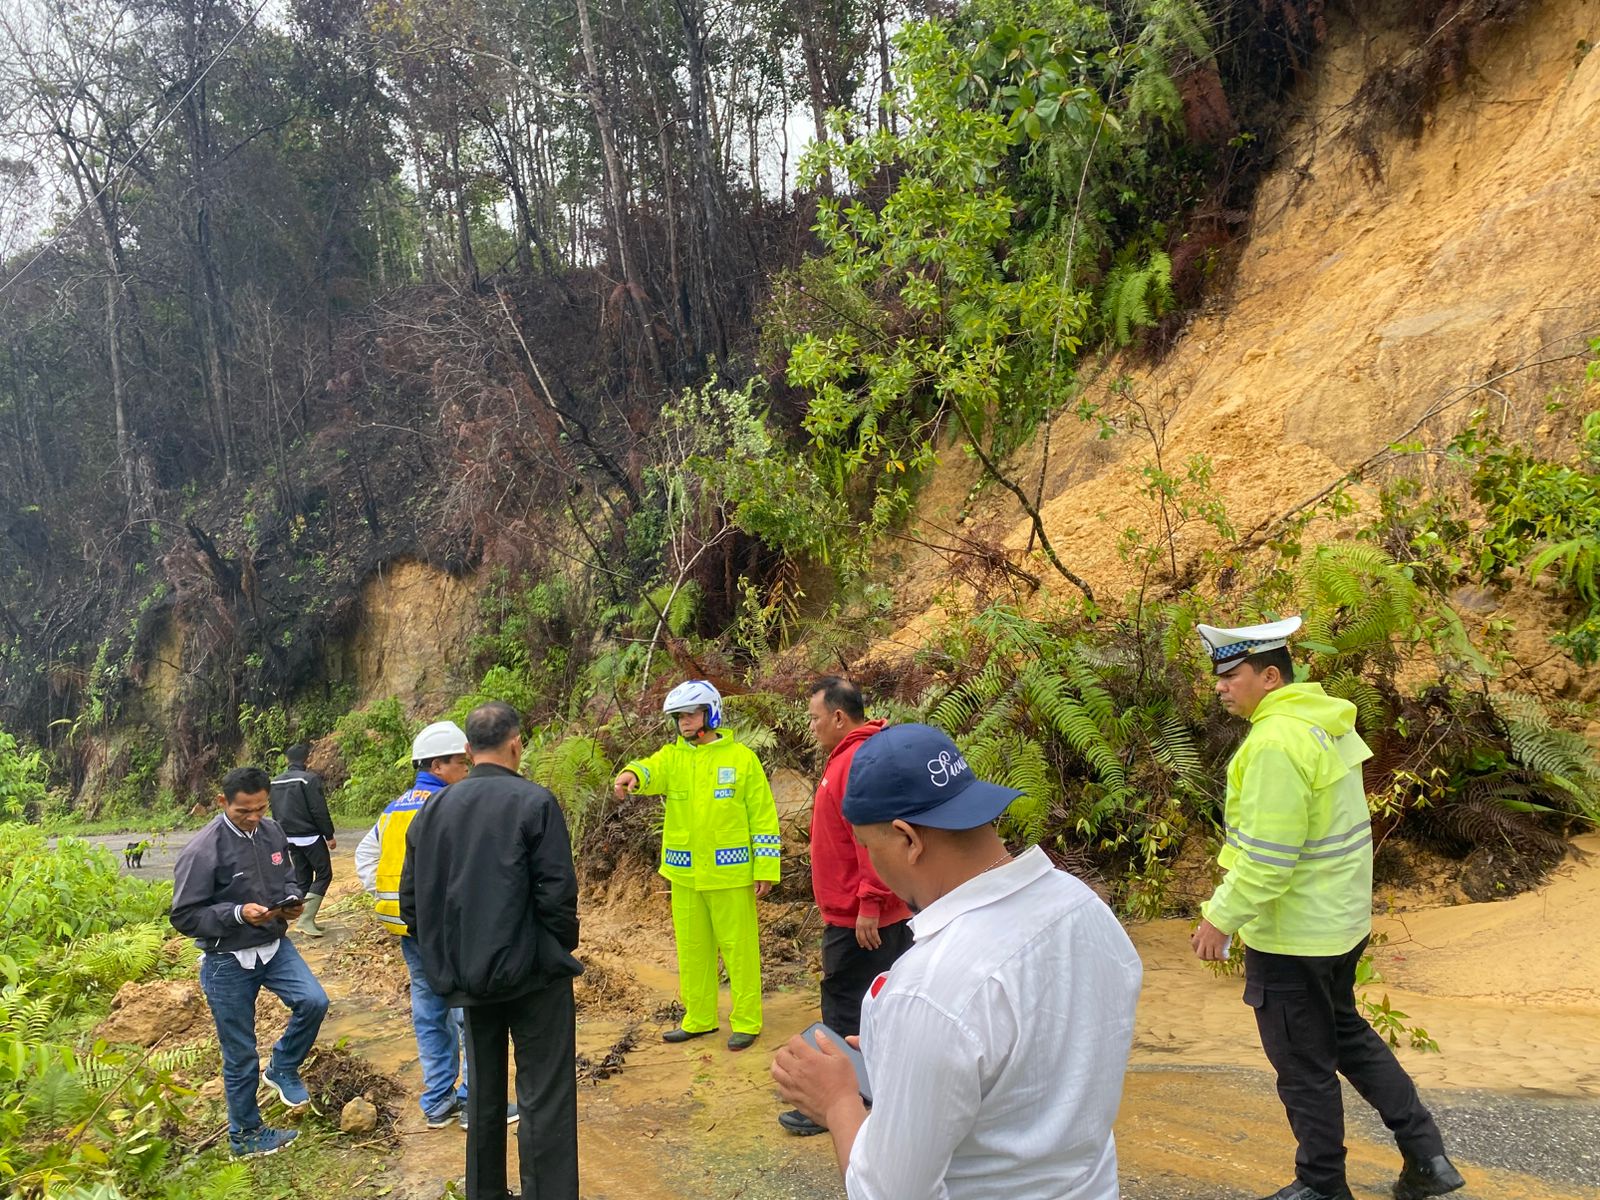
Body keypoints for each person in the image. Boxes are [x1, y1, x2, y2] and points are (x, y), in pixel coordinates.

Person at [772, 723, 1143, 1199]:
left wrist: (838, 1101)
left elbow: (888, 1194)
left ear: (908, 839)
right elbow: (1038, 1062)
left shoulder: (930, 989)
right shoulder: (1082, 906)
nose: (874, 865)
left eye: (868, 846)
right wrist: (906, 1054)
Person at [1189, 617, 1466, 1200]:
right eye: (1219, 676)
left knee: (1303, 1066)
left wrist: (1220, 917)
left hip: (1293, 935)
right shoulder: (1324, 722)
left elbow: (1268, 859)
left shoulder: (1273, 744)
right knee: (1347, 1036)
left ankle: (1322, 1186)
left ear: (1270, 676)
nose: (1220, 686)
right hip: (1340, 922)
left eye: (1232, 675)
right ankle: (1428, 1157)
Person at [400, 700, 581, 1200]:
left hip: (469, 979)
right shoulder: (535, 802)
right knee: (544, 1096)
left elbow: (412, 902)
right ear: (516, 744)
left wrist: (450, 959)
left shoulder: (431, 812)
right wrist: (555, 948)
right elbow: (557, 893)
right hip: (534, 975)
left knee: (483, 1096)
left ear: (467, 750)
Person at [357, 719, 520, 1130]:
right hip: (445, 929)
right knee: (469, 1011)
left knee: (429, 1012)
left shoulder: (395, 808)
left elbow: (365, 856)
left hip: (407, 928)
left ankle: (437, 1102)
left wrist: (384, 897)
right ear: (437, 765)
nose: (467, 769)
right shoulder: (448, 806)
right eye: (460, 763)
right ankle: (474, 1103)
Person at [170, 765, 330, 1159]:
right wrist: (238, 914)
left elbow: (288, 876)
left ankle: (283, 1066)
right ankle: (245, 1135)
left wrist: (291, 901)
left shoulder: (273, 832)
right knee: (240, 1054)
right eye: (244, 811)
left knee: (314, 1001)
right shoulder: (202, 850)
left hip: (273, 947)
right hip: (227, 960)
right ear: (222, 802)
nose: (254, 817)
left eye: (261, 808)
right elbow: (184, 916)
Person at [613, 679, 781, 1051]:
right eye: (679, 717)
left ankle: (747, 1021)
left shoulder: (741, 759)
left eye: (691, 714)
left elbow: (764, 818)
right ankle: (700, 1018)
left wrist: (766, 869)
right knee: (692, 950)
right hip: (685, 874)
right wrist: (632, 775)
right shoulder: (674, 758)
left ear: (711, 713)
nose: (685, 722)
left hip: (731, 873)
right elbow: (650, 769)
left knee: (739, 950)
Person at [778, 677, 911, 1137]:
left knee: (845, 1001)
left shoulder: (855, 760)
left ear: (838, 716)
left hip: (861, 915)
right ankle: (875, 1086)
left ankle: (837, 1101)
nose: (811, 726)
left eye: (815, 718)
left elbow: (872, 838)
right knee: (876, 998)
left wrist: (869, 902)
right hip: (863, 908)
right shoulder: (854, 755)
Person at [269, 743, 335, 937]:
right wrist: (329, 835)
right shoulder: (308, 779)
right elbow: (318, 810)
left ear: (287, 759)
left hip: (288, 837)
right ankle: (305, 920)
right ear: (307, 758)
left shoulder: (275, 782)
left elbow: (275, 810)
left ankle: (290, 921)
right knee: (324, 874)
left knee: (303, 878)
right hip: (309, 836)